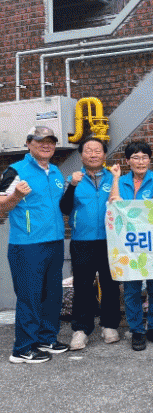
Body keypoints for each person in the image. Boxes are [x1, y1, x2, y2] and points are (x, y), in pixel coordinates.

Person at [0, 126, 69, 363]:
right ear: (29, 143)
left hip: (54, 242)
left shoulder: (56, 172)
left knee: (52, 294)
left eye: (50, 141)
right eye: (40, 141)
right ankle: (22, 348)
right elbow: (1, 205)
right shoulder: (16, 171)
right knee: (29, 296)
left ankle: (46, 338)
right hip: (27, 245)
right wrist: (16, 196)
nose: (46, 145)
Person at [109, 140, 153, 351]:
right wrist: (115, 178)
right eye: (135, 157)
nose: (141, 161)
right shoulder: (121, 180)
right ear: (128, 161)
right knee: (131, 290)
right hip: (128, 244)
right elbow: (114, 202)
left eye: (145, 157)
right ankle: (136, 330)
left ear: (150, 160)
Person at [60, 137, 122, 351]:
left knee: (110, 284)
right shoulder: (73, 179)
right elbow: (65, 208)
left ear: (104, 154)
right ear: (81, 155)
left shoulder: (114, 178)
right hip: (82, 241)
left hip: (110, 240)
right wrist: (72, 185)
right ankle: (81, 329)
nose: (93, 154)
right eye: (88, 150)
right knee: (83, 285)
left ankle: (109, 325)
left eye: (97, 150)